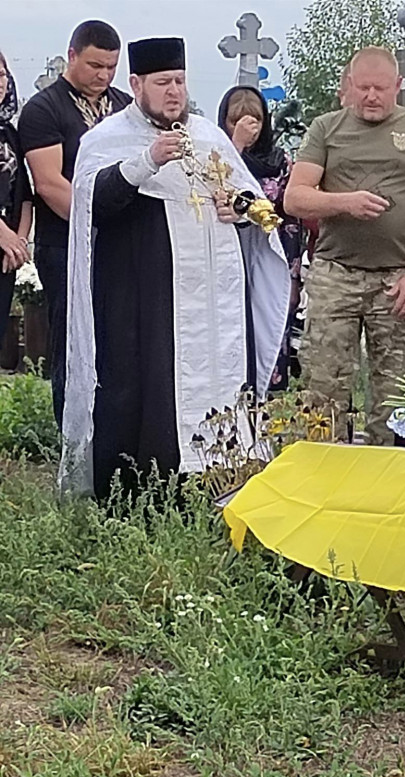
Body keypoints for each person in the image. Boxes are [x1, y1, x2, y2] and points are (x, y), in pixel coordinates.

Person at [62, 37, 290, 499]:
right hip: (146, 297)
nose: (173, 92)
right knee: (150, 393)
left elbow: (253, 201)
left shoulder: (208, 135)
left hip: (216, 300)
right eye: (163, 82)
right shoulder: (106, 139)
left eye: (180, 82)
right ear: (136, 84)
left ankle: (222, 480)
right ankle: (146, 494)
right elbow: (91, 203)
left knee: (222, 381)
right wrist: (147, 161)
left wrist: (239, 208)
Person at [285, 46, 405, 446]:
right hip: (335, 275)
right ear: (348, 87)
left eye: (380, 88)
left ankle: (386, 480)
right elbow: (295, 198)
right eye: (363, 88)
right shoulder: (326, 128)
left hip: (398, 278)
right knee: (324, 386)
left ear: (397, 87)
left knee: (395, 395)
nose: (371, 96)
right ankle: (325, 471)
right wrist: (344, 202)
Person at [19, 20, 131, 424]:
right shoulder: (44, 109)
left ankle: (114, 426)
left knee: (120, 334)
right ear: (72, 55)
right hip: (67, 241)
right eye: (94, 65)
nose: (103, 76)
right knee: (73, 338)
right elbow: (49, 184)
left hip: (120, 241)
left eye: (111, 68)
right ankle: (71, 428)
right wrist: (98, 220)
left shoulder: (123, 105)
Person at [217, 86, 303, 391]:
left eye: (254, 120)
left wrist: (293, 277)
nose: (247, 128)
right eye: (236, 121)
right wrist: (234, 145)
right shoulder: (215, 154)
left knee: (269, 325)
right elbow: (217, 185)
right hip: (227, 255)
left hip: (269, 254)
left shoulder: (280, 161)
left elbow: (292, 219)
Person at [0, 52, 32, 349]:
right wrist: (4, 235)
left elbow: (23, 194)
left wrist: (19, 242)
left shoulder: (11, 132)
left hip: (5, 254)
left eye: (1, 75)